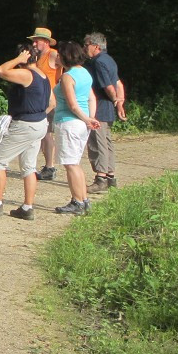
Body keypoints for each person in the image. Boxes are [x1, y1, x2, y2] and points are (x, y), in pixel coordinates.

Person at [0, 42, 53, 220]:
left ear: (24, 56)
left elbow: (0, 70)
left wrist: (18, 59)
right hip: (40, 124)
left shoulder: (26, 74)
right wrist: (38, 114)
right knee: (29, 167)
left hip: (24, 124)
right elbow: (52, 102)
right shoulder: (43, 75)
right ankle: (27, 207)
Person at [52, 41, 101, 215]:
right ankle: (84, 200)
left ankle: (77, 202)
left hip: (69, 122)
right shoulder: (85, 73)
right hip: (81, 124)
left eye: (59, 54)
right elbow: (91, 99)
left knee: (70, 164)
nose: (57, 56)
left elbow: (72, 105)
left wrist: (87, 118)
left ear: (65, 56)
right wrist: (90, 118)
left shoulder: (68, 76)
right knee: (76, 163)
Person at [83, 32, 126, 192]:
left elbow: (108, 86)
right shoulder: (109, 60)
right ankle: (110, 176)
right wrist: (119, 103)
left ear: (96, 46)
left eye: (86, 44)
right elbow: (118, 83)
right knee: (107, 142)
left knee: (97, 142)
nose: (84, 47)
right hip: (107, 108)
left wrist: (115, 100)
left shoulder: (98, 62)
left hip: (99, 107)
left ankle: (101, 178)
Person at [27, 27, 62, 182]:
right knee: (42, 134)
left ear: (46, 42)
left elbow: (68, 65)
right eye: (33, 40)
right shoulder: (38, 57)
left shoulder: (52, 54)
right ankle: (47, 166)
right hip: (39, 100)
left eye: (37, 40)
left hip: (50, 101)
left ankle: (50, 167)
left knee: (46, 133)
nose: (34, 43)